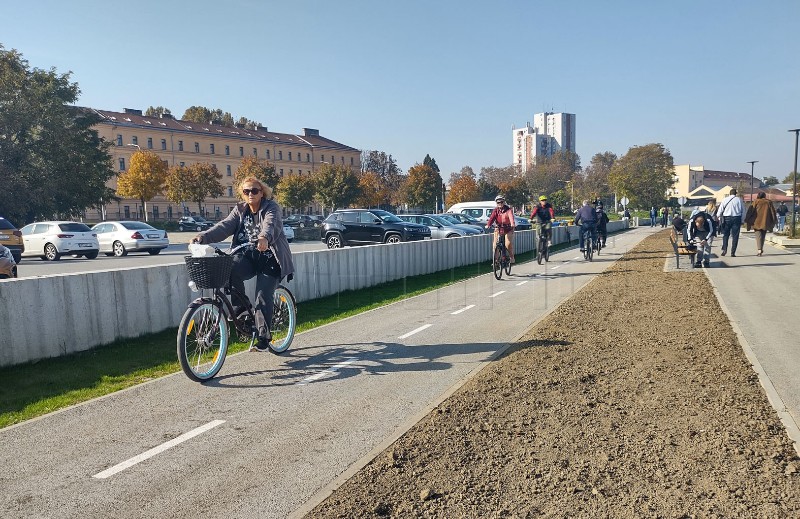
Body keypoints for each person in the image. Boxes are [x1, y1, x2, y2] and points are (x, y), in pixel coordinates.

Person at [193, 177, 295, 352]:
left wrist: (264, 238)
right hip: (247, 255)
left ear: (262, 192)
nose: (250, 194)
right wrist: (204, 237)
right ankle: (243, 313)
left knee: (262, 295)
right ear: (242, 193)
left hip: (271, 258)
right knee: (228, 270)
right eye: (246, 191)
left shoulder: (271, 207)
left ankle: (263, 337)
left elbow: (270, 225)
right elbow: (224, 227)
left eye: (254, 190)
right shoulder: (240, 210)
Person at [744, 192, 777, 257]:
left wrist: (747, 219)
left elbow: (750, 211)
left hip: (756, 221)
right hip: (765, 221)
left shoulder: (756, 202)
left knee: (758, 236)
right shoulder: (768, 202)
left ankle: (759, 250)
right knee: (763, 236)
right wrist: (774, 220)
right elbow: (773, 212)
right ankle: (761, 248)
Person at [486, 194, 516, 263]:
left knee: (507, 244)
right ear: (496, 203)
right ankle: (496, 261)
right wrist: (488, 224)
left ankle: (512, 257)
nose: (500, 204)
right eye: (498, 202)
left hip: (508, 228)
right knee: (495, 244)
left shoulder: (508, 210)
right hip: (499, 228)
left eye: (501, 202)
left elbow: (511, 217)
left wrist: (512, 223)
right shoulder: (495, 210)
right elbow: (492, 218)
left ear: (504, 202)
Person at [716, 188, 744, 257]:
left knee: (725, 235)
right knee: (735, 236)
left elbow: (720, 210)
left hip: (726, 218)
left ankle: (724, 250)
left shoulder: (725, 199)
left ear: (730, 193)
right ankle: (733, 252)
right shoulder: (739, 200)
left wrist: (719, 217)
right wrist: (742, 220)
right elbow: (743, 211)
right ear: (736, 193)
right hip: (736, 218)